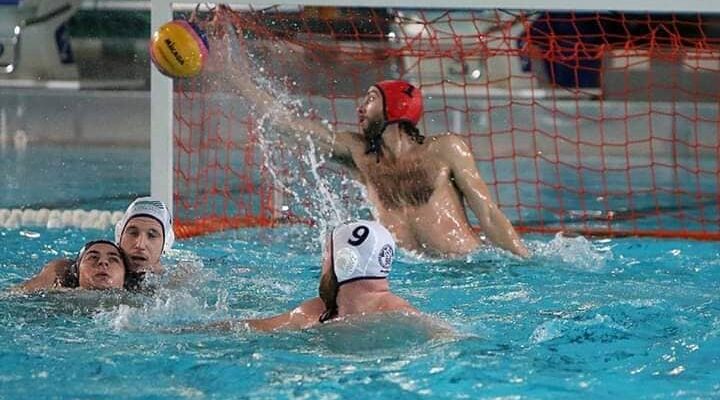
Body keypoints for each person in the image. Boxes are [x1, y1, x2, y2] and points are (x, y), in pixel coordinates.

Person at [211, 10, 529, 258]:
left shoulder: (446, 148)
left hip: (464, 267)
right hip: (408, 273)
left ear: (397, 105)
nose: (361, 107)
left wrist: (523, 263)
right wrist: (232, 72)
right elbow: (286, 124)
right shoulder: (357, 152)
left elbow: (488, 213)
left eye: (371, 99)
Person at [209, 220, 420, 332]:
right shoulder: (316, 312)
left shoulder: (403, 317)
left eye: (326, 256)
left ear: (345, 261)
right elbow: (249, 328)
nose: (322, 265)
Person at [16, 196, 174, 292]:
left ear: (164, 245)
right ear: (120, 236)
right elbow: (17, 296)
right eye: (132, 233)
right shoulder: (63, 271)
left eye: (152, 235)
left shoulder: (170, 283)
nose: (140, 244)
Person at [16, 240, 136, 292]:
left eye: (113, 259)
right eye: (93, 257)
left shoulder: (141, 303)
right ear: (76, 272)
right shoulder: (55, 298)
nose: (103, 262)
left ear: (124, 275)